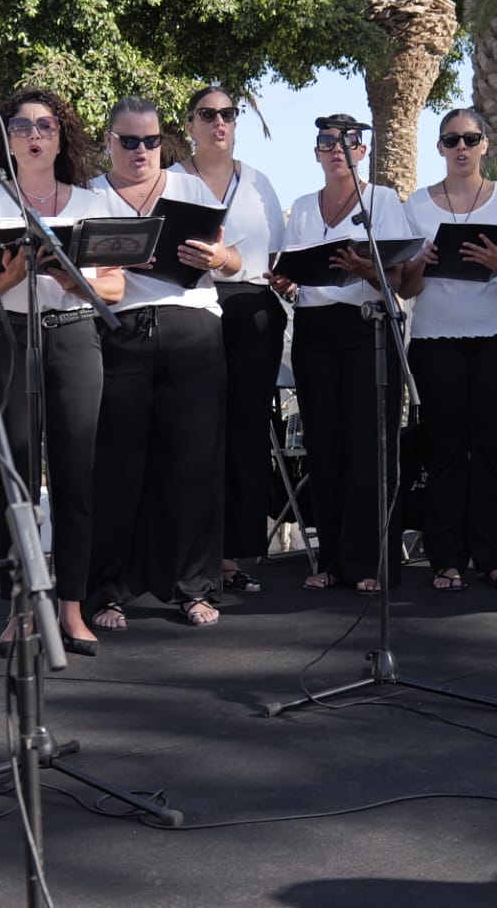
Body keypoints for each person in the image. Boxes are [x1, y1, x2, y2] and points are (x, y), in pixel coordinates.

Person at [0, 88, 122, 653]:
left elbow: (115, 286)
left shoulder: (89, 203)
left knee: (76, 477)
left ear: (61, 137)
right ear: (6, 138)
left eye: (46, 125)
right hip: (9, 338)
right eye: (23, 125)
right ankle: (20, 609)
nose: (34, 135)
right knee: (17, 480)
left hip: (74, 336)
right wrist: (11, 275)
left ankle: (73, 608)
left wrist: (66, 275)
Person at [86, 96, 233, 628]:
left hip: (193, 329)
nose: (141, 151)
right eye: (129, 141)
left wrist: (218, 258)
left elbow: (234, 259)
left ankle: (195, 587)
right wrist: (119, 256)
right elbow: (79, 273)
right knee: (118, 468)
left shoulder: (190, 188)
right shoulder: (91, 198)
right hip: (121, 331)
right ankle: (107, 591)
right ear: (109, 142)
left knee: (193, 465)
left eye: (151, 141)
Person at [273, 114, 416, 593]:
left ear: (363, 151)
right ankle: (331, 561)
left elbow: (398, 279)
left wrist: (364, 267)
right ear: (316, 152)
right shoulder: (301, 206)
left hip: (367, 328)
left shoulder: (383, 201)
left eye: (349, 141)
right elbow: (293, 274)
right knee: (326, 448)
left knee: (370, 447)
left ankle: (372, 563)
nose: (338, 149)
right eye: (327, 142)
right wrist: (286, 282)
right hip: (316, 329)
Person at [394, 108, 497, 591]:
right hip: (434, 338)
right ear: (440, 148)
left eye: (471, 138)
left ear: (485, 144)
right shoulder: (416, 205)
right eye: (452, 140)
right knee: (445, 450)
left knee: (487, 449)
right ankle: (445, 558)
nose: (462, 148)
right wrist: (422, 262)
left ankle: (494, 558)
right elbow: (406, 290)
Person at [176, 87, 286, 594]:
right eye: (207, 114)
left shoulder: (260, 182)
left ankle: (234, 556)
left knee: (245, 435)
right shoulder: (171, 182)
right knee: (196, 438)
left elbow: (277, 255)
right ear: (190, 124)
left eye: (228, 114)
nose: (219, 122)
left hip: (254, 314)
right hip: (192, 313)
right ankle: (189, 556)